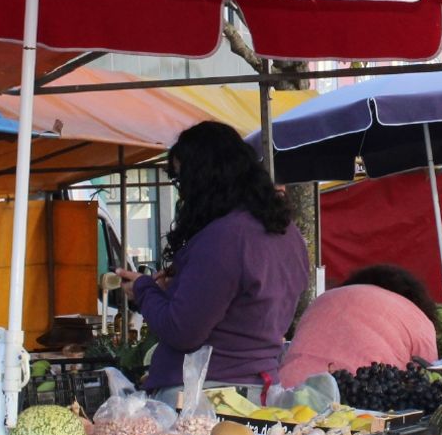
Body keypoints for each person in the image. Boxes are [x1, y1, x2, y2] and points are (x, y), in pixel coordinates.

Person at [114, 121, 309, 393]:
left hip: (207, 397)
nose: (181, 191)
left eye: (181, 179)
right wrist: (181, 288)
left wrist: (143, 289)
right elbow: (243, 306)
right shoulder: (289, 235)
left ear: (205, 179)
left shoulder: (224, 237)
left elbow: (182, 331)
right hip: (261, 388)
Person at [278, 265, 439, 385]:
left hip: (287, 391)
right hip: (360, 405)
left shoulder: (323, 299)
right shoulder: (417, 317)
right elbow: (429, 377)